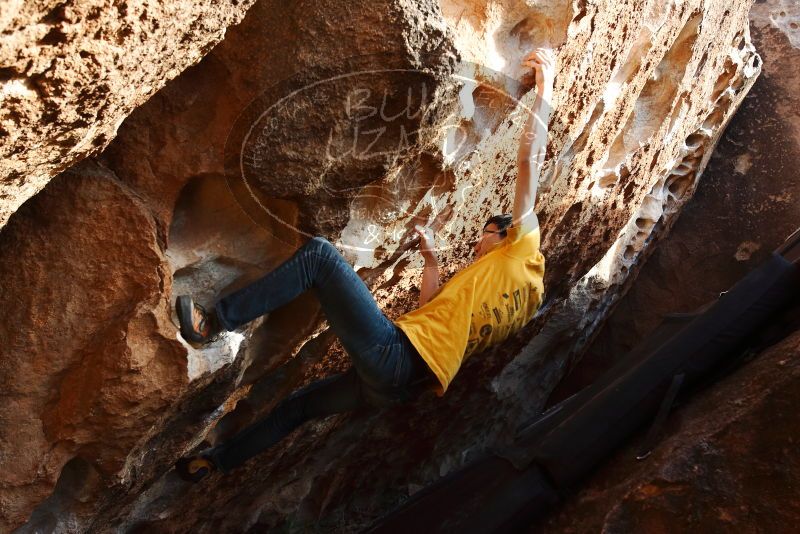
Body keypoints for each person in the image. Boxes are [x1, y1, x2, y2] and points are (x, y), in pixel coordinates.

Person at [174, 48, 555, 482]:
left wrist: (546, 92)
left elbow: (531, 162)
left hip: (394, 356)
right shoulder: (519, 300)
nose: (477, 243)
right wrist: (430, 261)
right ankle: (212, 464)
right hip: (397, 387)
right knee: (299, 407)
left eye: (485, 234)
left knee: (319, 256)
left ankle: (213, 323)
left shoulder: (523, 248)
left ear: (505, 234)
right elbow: (428, 311)